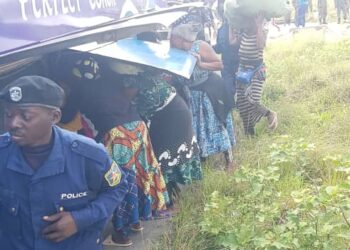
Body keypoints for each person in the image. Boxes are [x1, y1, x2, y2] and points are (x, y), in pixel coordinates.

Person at [0, 75, 128, 250]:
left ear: (54, 116)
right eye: (8, 114)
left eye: (25, 116)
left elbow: (117, 187)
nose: (13, 123)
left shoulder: (88, 155)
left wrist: (80, 219)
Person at [65, 57, 169, 247]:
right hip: (138, 127)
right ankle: (137, 221)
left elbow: (66, 115)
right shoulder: (109, 79)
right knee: (141, 174)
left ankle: (121, 235)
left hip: (117, 134)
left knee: (119, 182)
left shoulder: (79, 88)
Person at [170, 23, 236, 167]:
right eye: (188, 41)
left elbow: (219, 65)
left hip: (208, 90)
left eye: (192, 41)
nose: (190, 44)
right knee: (196, 128)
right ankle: (202, 158)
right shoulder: (171, 50)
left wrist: (201, 64)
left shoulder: (200, 46)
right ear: (178, 39)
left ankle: (229, 160)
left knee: (216, 124)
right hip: (190, 94)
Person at [235, 13, 278, 136]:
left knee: (253, 100)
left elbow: (261, 45)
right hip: (242, 71)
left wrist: (259, 25)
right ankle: (249, 133)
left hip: (256, 71)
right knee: (242, 104)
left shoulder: (262, 31)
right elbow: (232, 42)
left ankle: (269, 114)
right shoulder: (243, 33)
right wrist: (231, 25)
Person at [214, 0, 240, 103]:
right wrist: (206, 47)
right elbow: (219, 48)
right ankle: (230, 109)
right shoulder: (221, 29)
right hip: (226, 66)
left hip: (239, 63)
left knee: (242, 90)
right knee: (228, 89)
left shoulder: (238, 27)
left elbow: (234, 43)